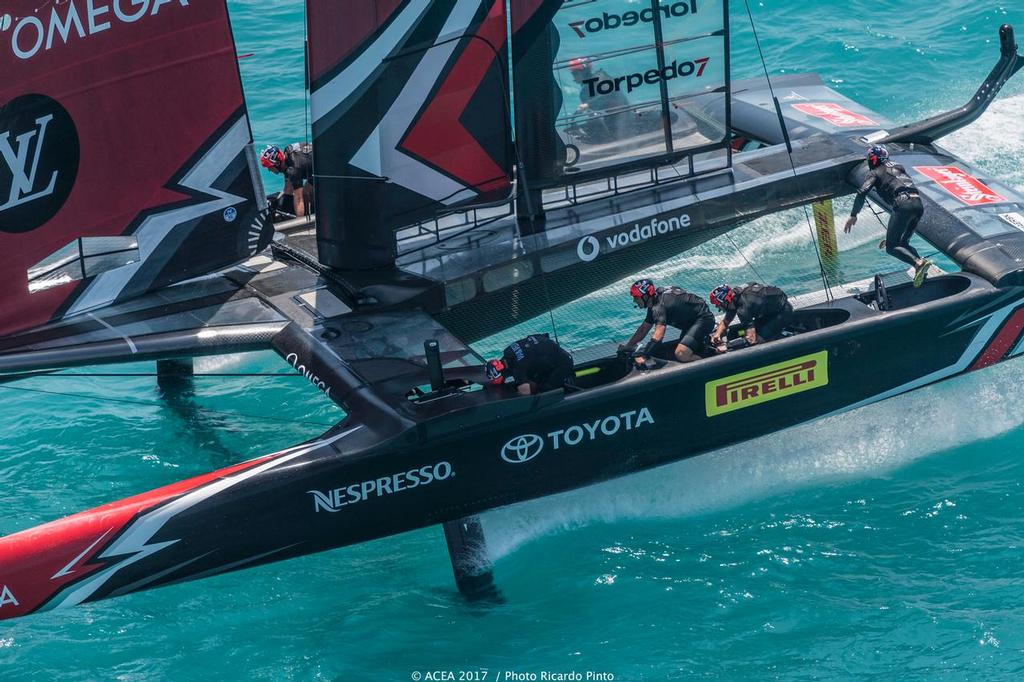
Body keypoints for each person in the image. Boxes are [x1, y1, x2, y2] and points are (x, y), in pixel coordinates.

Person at [844, 144, 932, 287]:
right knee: (903, 244)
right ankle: (922, 272)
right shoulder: (898, 166)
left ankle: (918, 263)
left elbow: (862, 191)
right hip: (917, 204)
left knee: (891, 247)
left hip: (903, 205)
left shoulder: (875, 172)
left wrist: (854, 214)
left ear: (872, 160)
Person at [620, 279, 714, 365]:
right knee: (682, 352)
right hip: (692, 323)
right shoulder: (655, 302)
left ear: (645, 296)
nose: (634, 300)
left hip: (704, 320)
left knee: (681, 354)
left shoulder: (658, 306)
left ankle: (710, 365)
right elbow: (643, 329)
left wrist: (644, 354)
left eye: (636, 298)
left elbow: (659, 335)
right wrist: (628, 346)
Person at [485, 334, 574, 396]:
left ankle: (566, 388)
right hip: (551, 349)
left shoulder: (518, 370)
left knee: (545, 389)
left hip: (564, 362)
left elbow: (525, 395)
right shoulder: (507, 351)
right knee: (532, 376)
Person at [709, 283, 793, 348]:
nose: (718, 307)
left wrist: (727, 346)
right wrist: (717, 334)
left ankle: (784, 338)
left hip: (782, 313)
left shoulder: (743, 308)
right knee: (740, 332)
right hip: (769, 312)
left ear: (725, 301)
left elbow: (752, 339)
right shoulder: (735, 296)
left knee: (759, 341)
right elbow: (725, 322)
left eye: (719, 305)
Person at [568, 57, 631, 143]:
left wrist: (588, 104)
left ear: (585, 72)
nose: (573, 77)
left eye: (575, 73)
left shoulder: (601, 78)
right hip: (607, 119)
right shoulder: (585, 90)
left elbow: (608, 93)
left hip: (620, 117)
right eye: (573, 74)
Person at [260, 143, 315, 217]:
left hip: (325, 169)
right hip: (316, 165)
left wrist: (298, 224)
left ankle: (308, 219)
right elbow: (288, 189)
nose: (269, 170)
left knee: (305, 194)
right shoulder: (287, 154)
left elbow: (298, 198)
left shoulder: (293, 170)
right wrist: (281, 208)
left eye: (269, 167)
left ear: (277, 163)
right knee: (304, 192)